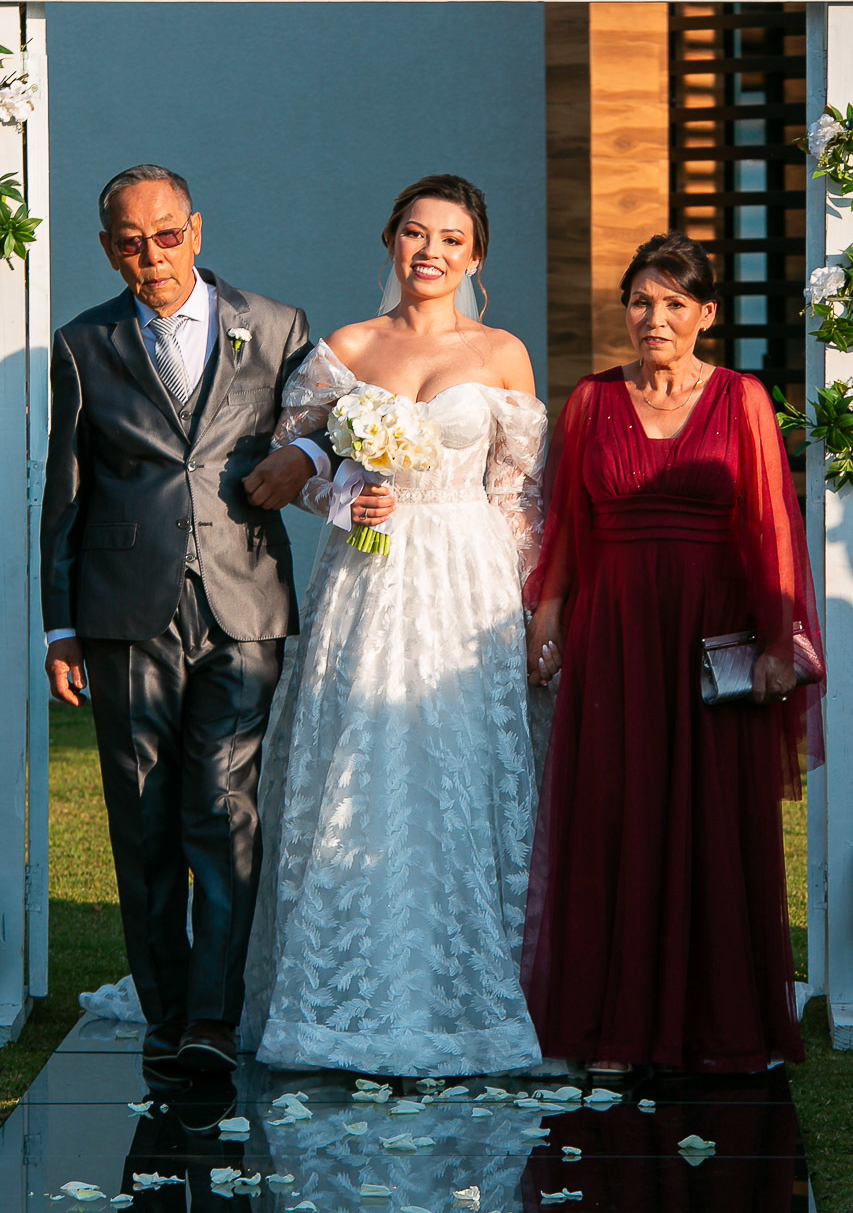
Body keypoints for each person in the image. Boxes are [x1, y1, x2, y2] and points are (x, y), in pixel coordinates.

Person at [40, 164, 393, 1077]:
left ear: (195, 230)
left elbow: (326, 425)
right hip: (123, 610)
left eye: (166, 236)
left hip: (243, 601)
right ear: (108, 248)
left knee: (224, 810)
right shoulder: (82, 343)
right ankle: (165, 1016)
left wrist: (307, 451)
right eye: (130, 242)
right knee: (143, 817)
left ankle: (213, 1019)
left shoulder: (274, 325)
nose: (151, 256)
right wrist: (58, 626)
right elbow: (65, 493)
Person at [241, 174, 547, 1075]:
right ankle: (342, 998)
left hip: (467, 585)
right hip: (367, 584)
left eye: (451, 239)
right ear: (389, 240)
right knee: (362, 764)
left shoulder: (501, 353)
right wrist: (344, 496)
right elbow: (288, 467)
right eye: (415, 233)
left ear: (476, 257)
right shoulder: (346, 347)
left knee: (458, 769)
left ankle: (473, 995)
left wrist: (531, 610)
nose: (430, 252)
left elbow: (519, 497)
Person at [523, 231, 825, 1075]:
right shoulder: (590, 400)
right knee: (612, 814)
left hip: (709, 638)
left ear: (706, 314)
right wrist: (546, 615)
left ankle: (716, 1024)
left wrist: (777, 640)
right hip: (613, 636)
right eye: (639, 302)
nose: (653, 318)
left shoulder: (741, 398)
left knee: (711, 819)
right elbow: (567, 524)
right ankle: (610, 1025)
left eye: (672, 304)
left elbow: (769, 525)